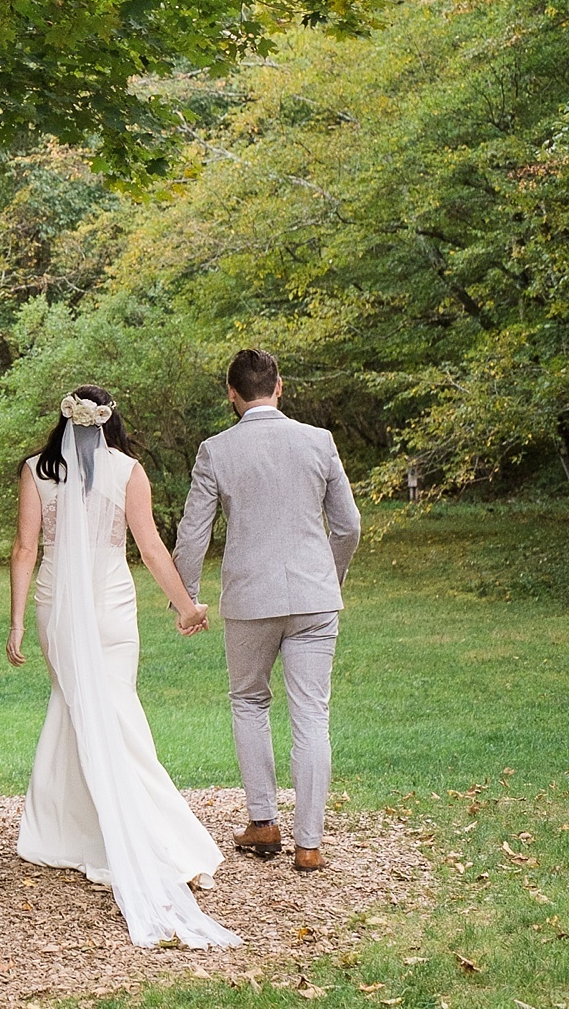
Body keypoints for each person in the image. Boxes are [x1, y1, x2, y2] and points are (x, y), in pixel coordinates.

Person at [7, 385, 240, 949]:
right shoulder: (129, 471)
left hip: (56, 611)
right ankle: (88, 834)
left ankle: (79, 833)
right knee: (107, 715)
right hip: (112, 610)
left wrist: (15, 623)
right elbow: (152, 548)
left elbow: (24, 548)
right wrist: (187, 606)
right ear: (110, 422)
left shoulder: (37, 470)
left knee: (83, 710)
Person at [173, 349, 361, 873]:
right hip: (314, 599)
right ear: (279, 386)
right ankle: (309, 843)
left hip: (251, 600)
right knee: (312, 714)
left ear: (231, 394)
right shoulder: (319, 442)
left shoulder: (216, 450)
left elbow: (193, 534)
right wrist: (330, 579)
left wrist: (185, 599)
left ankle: (263, 821)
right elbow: (348, 527)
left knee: (249, 702)